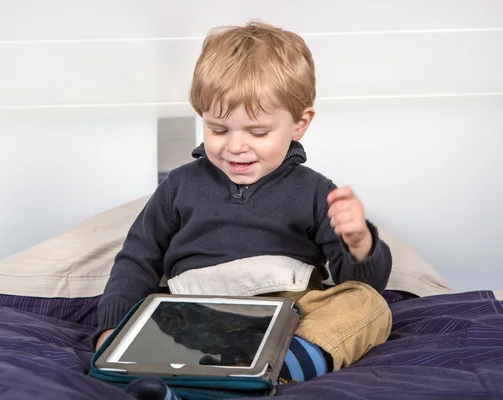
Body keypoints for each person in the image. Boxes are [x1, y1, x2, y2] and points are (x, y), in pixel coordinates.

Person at [95, 21, 393, 399]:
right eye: (218, 129)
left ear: (300, 123)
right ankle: (174, 385)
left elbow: (361, 281)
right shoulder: (178, 186)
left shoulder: (316, 191)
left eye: (257, 132)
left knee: (367, 304)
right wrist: (114, 328)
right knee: (155, 323)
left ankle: (276, 369)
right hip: (194, 310)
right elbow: (137, 258)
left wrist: (359, 242)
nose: (235, 146)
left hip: (289, 311)